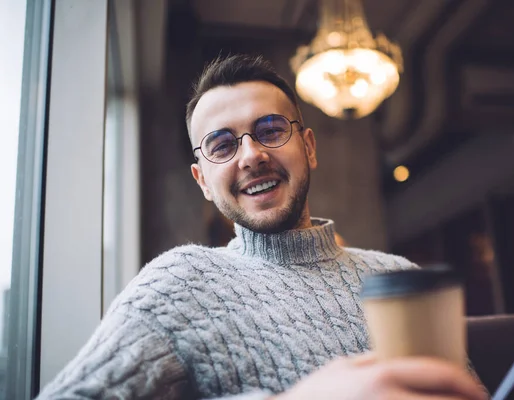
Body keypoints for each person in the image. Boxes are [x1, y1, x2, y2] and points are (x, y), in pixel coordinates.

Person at [37, 54, 488, 400]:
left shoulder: (398, 275)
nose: (251, 154)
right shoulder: (180, 285)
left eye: (271, 130)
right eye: (222, 144)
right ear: (204, 183)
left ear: (308, 148)